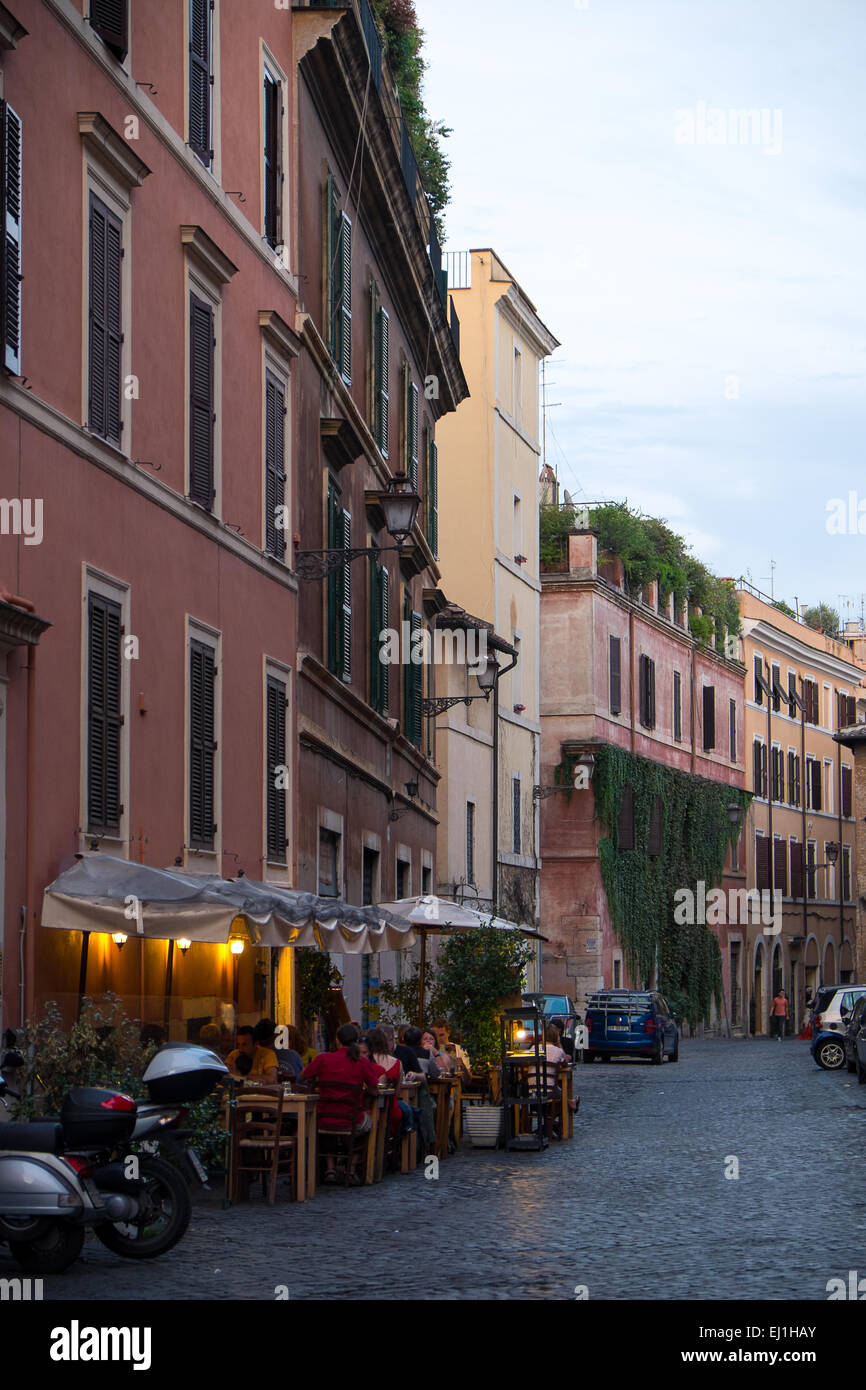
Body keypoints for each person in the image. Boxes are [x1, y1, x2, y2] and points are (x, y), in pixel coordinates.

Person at [299, 1024, 385, 1184]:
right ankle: (351, 1168)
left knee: (328, 1126)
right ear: (356, 1041)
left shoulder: (323, 1059)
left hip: (323, 1120)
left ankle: (330, 1168)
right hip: (352, 1120)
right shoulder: (361, 1062)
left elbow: (303, 1075)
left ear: (337, 1041)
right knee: (369, 1122)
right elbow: (374, 1088)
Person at [366, 1026, 414, 1135]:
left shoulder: (365, 1062)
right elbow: (397, 1092)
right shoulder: (397, 1062)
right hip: (391, 1112)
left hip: (369, 1111)